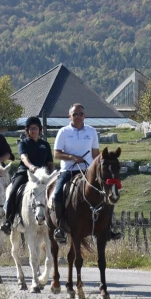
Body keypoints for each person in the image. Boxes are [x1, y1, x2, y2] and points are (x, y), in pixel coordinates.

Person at [51, 103, 122, 243]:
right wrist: (72, 158)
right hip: (69, 170)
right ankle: (60, 226)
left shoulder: (91, 131)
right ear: (69, 116)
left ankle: (108, 227)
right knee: (58, 193)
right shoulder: (63, 132)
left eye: (81, 114)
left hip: (88, 171)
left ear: (85, 116)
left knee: (107, 193)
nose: (78, 116)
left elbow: (96, 154)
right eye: (75, 114)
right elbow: (56, 154)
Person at [0, 116, 54, 235]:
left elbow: (50, 163)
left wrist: (53, 176)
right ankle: (9, 221)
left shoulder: (45, 145)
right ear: (27, 130)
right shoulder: (23, 143)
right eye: (30, 129)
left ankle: (58, 223)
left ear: (40, 129)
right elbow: (24, 158)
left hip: (43, 176)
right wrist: (31, 167)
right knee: (13, 192)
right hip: (25, 172)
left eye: (35, 128)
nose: (33, 131)